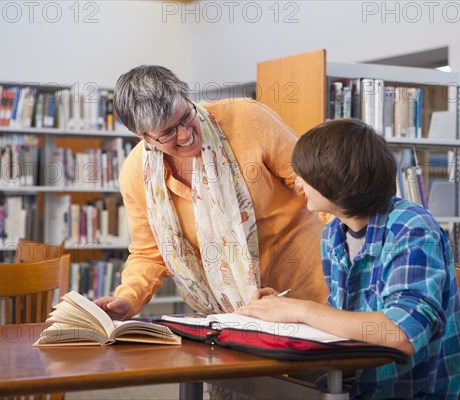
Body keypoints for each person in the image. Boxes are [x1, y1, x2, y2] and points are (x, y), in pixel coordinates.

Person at [237, 119, 460, 399]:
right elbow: (345, 323)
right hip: (353, 385)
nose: (297, 182)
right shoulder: (333, 233)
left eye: (304, 175)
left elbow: (402, 334)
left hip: (407, 392)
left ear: (335, 180)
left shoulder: (411, 227)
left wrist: (301, 310)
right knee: (257, 387)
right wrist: (281, 311)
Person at [94, 65, 328, 319]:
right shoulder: (136, 173)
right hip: (234, 314)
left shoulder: (249, 118)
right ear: (144, 137)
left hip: (309, 291)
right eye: (168, 132)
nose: (185, 134)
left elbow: (317, 186)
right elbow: (149, 252)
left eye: (185, 116)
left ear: (186, 98)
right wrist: (127, 299)